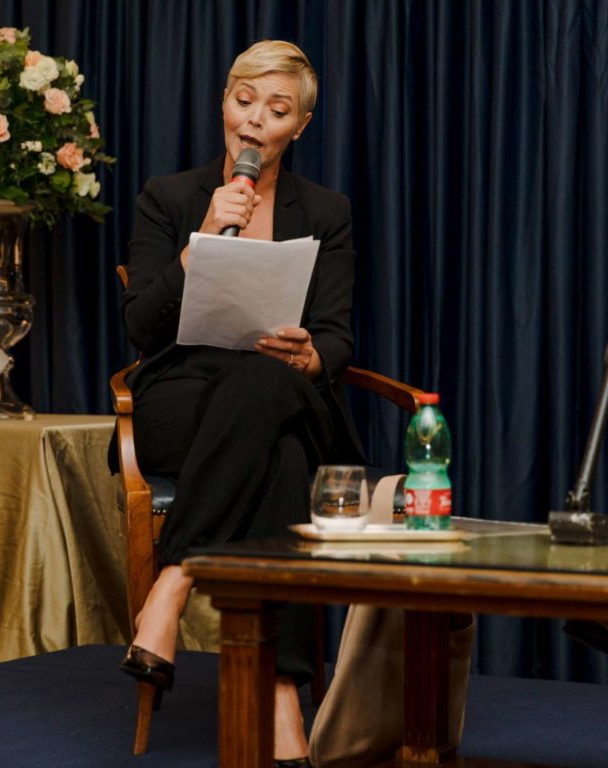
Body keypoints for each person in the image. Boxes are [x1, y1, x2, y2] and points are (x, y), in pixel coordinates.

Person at [116, 40, 362, 766]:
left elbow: (336, 336)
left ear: (300, 126)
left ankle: (174, 579)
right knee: (280, 457)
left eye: (276, 110)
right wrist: (198, 247)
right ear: (224, 105)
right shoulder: (169, 197)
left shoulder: (325, 210)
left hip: (281, 389)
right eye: (244, 101)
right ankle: (284, 702)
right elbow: (139, 326)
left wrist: (314, 355)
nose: (254, 122)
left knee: (265, 379)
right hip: (183, 406)